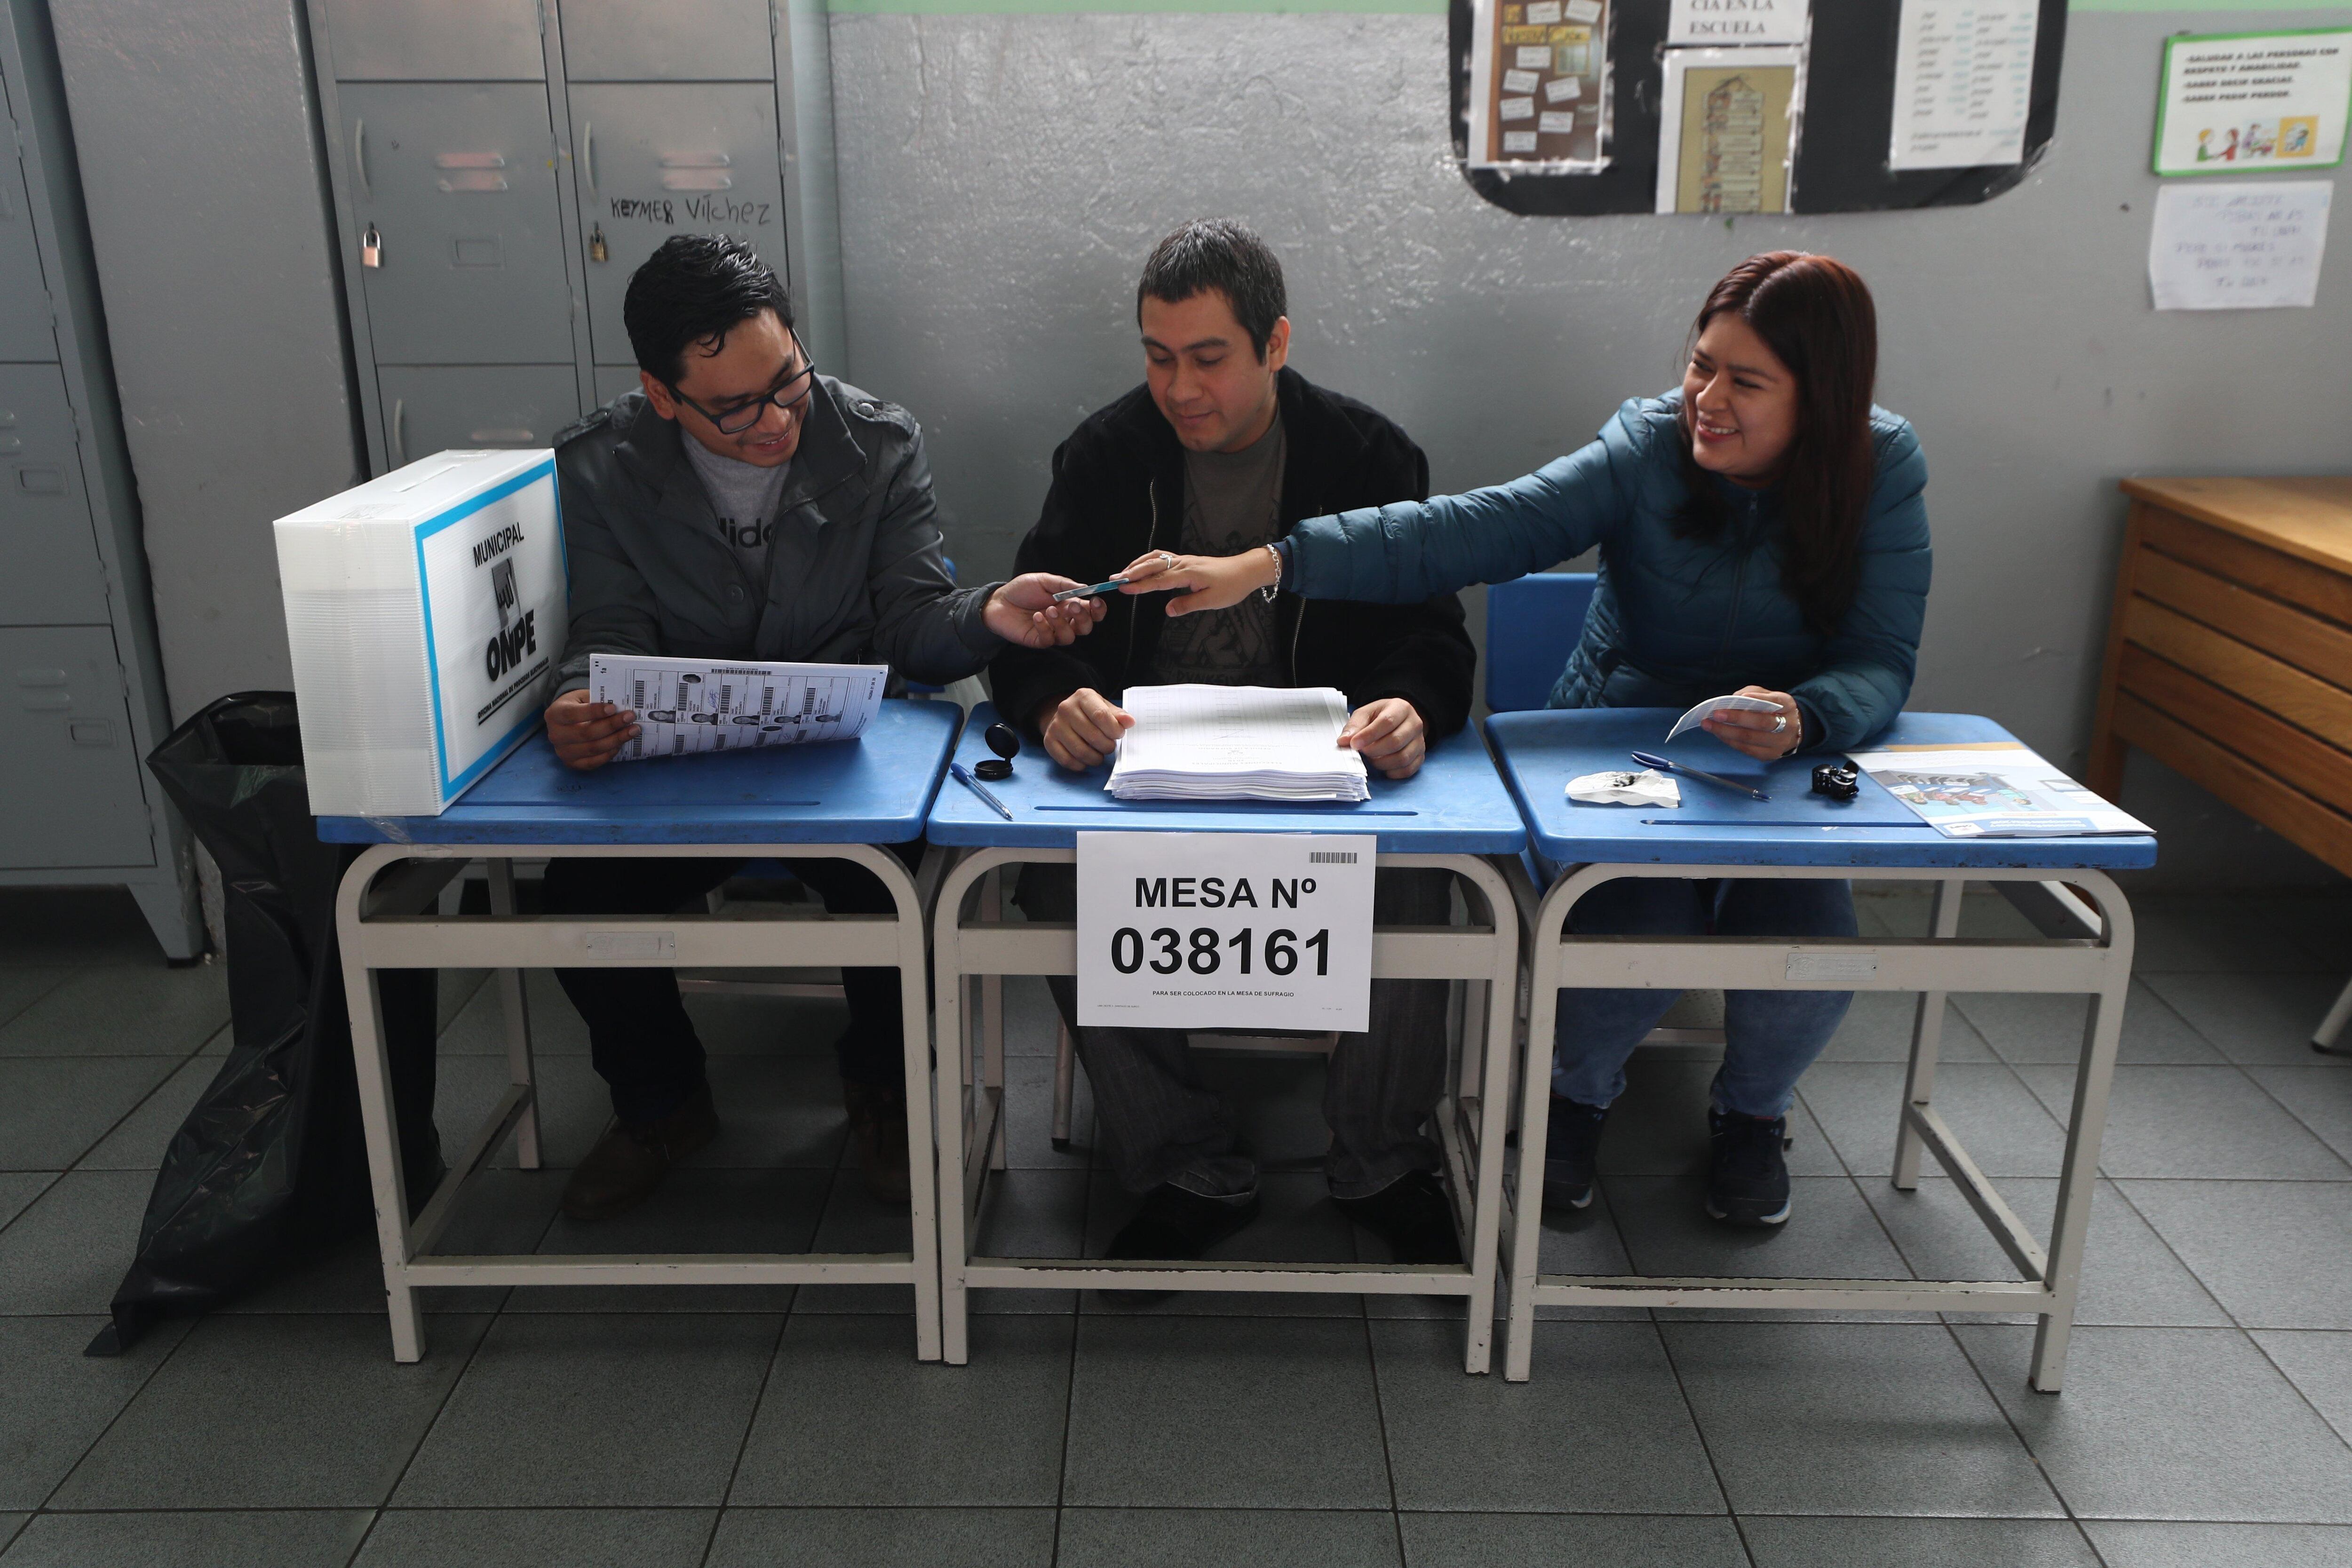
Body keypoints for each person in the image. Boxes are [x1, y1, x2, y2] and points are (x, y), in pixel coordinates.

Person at [1115, 250, 1930, 1229]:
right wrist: (1271, 563)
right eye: (1700, 365)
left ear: (1824, 398)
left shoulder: (1883, 468)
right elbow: (1475, 529)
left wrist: (1810, 713)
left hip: (1784, 760)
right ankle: (1574, 1097)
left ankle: (1753, 1114)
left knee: (1811, 942)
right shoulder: (1646, 446)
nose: (1707, 398)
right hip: (1632, 744)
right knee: (1640, 933)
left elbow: (1882, 656)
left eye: (1744, 382)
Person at [540, 234, 1102, 1221]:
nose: (775, 421)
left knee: (902, 877)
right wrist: (580, 702)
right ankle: (662, 1105)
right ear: (661, 395)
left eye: (787, 382)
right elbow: (608, 631)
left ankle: (883, 1092)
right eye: (735, 407)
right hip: (681, 764)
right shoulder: (600, 466)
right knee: (579, 891)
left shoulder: (874, 444)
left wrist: (985, 615)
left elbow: (910, 623)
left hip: (847, 756)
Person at [991, 219, 1479, 1274]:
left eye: (1208, 357)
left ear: (1276, 344)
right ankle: (1179, 1158)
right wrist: (1053, 700)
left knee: (1412, 887)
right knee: (1053, 883)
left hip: (1316, 765)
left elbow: (1431, 632)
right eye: (1158, 357)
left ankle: (1383, 1159)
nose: (1179, 388)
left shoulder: (1367, 455)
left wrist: (1408, 706)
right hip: (1150, 766)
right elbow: (1036, 628)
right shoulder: (1108, 455)